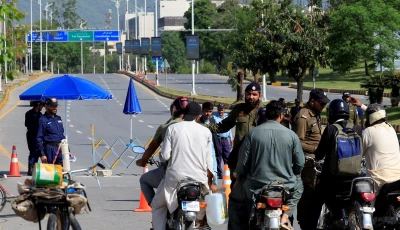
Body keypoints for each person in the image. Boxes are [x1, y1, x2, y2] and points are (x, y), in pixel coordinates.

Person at [229, 100, 304, 230]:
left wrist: (239, 176)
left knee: (235, 200)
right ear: (281, 115)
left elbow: (242, 163)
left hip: (255, 185)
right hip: (285, 185)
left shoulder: (253, 134)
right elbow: (300, 163)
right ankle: (286, 216)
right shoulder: (291, 135)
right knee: (299, 186)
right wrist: (294, 173)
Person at [151, 102, 217, 230]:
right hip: (199, 178)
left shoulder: (173, 128)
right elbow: (209, 161)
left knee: (158, 206)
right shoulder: (205, 131)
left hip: (175, 178)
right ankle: (199, 221)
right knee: (205, 201)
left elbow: (164, 156)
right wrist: (211, 182)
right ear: (198, 116)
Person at [306, 99, 363, 229]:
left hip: (332, 179)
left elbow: (320, 154)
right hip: (354, 178)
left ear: (331, 113)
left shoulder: (331, 129)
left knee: (315, 203)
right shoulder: (357, 129)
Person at [136, 96, 189, 206]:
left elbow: (154, 149)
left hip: (172, 171)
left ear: (174, 109)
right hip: (196, 172)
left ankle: (154, 206)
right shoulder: (199, 127)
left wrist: (143, 161)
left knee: (144, 180)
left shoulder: (167, 127)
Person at [206, 82, 261, 186]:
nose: (251, 97)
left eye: (254, 94)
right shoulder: (238, 110)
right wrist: (202, 126)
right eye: (248, 94)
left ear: (259, 96)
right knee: (236, 188)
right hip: (239, 155)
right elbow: (221, 126)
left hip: (257, 156)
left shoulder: (264, 111)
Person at [292, 88, 330, 228]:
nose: (324, 106)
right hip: (308, 164)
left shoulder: (314, 114)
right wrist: (316, 149)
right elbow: (297, 142)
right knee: (307, 195)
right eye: (321, 103)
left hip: (317, 162)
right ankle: (305, 223)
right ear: (312, 102)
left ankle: (312, 223)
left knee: (316, 195)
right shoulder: (303, 117)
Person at [362, 104, 400, 196]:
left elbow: (358, 153)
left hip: (379, 181)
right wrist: (362, 106)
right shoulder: (391, 129)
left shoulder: (368, 132)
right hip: (397, 178)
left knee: (359, 192)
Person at [36, 98, 69, 165]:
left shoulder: (58, 118)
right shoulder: (43, 120)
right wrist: (42, 154)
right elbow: (39, 138)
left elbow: (61, 135)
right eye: (52, 106)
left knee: (62, 171)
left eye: (56, 106)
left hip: (60, 148)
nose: (55, 108)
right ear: (46, 106)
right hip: (49, 149)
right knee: (50, 172)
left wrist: (67, 150)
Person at [199, 102, 220, 181]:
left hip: (212, 153)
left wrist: (217, 150)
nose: (208, 114)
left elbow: (215, 136)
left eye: (210, 111)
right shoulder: (198, 122)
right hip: (202, 153)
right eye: (206, 111)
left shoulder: (212, 120)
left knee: (214, 175)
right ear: (202, 111)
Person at [213, 103, 233, 178]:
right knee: (218, 156)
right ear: (217, 110)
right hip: (218, 139)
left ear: (224, 110)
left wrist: (231, 138)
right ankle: (219, 173)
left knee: (227, 156)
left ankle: (228, 172)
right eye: (219, 110)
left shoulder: (227, 117)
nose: (220, 111)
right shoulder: (214, 117)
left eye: (222, 110)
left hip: (225, 140)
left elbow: (229, 129)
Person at [25, 100, 44, 175]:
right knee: (33, 151)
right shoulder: (29, 113)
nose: (42, 107)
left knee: (38, 152)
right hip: (32, 135)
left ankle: (34, 167)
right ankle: (30, 168)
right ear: (37, 105)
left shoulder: (40, 115)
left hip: (39, 136)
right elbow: (27, 124)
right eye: (41, 105)